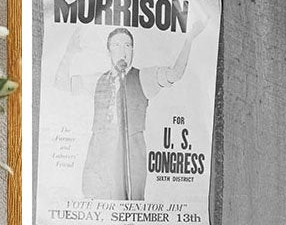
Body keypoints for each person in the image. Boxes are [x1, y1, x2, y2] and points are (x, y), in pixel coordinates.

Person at [56, 19, 206, 200]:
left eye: (128, 45)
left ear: (133, 50)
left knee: (129, 205)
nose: (123, 51)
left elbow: (175, 73)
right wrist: (69, 53)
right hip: (99, 154)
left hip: (131, 156)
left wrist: (189, 39)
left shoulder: (143, 77)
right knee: (95, 204)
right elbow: (61, 83)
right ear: (108, 51)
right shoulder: (98, 80)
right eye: (117, 45)